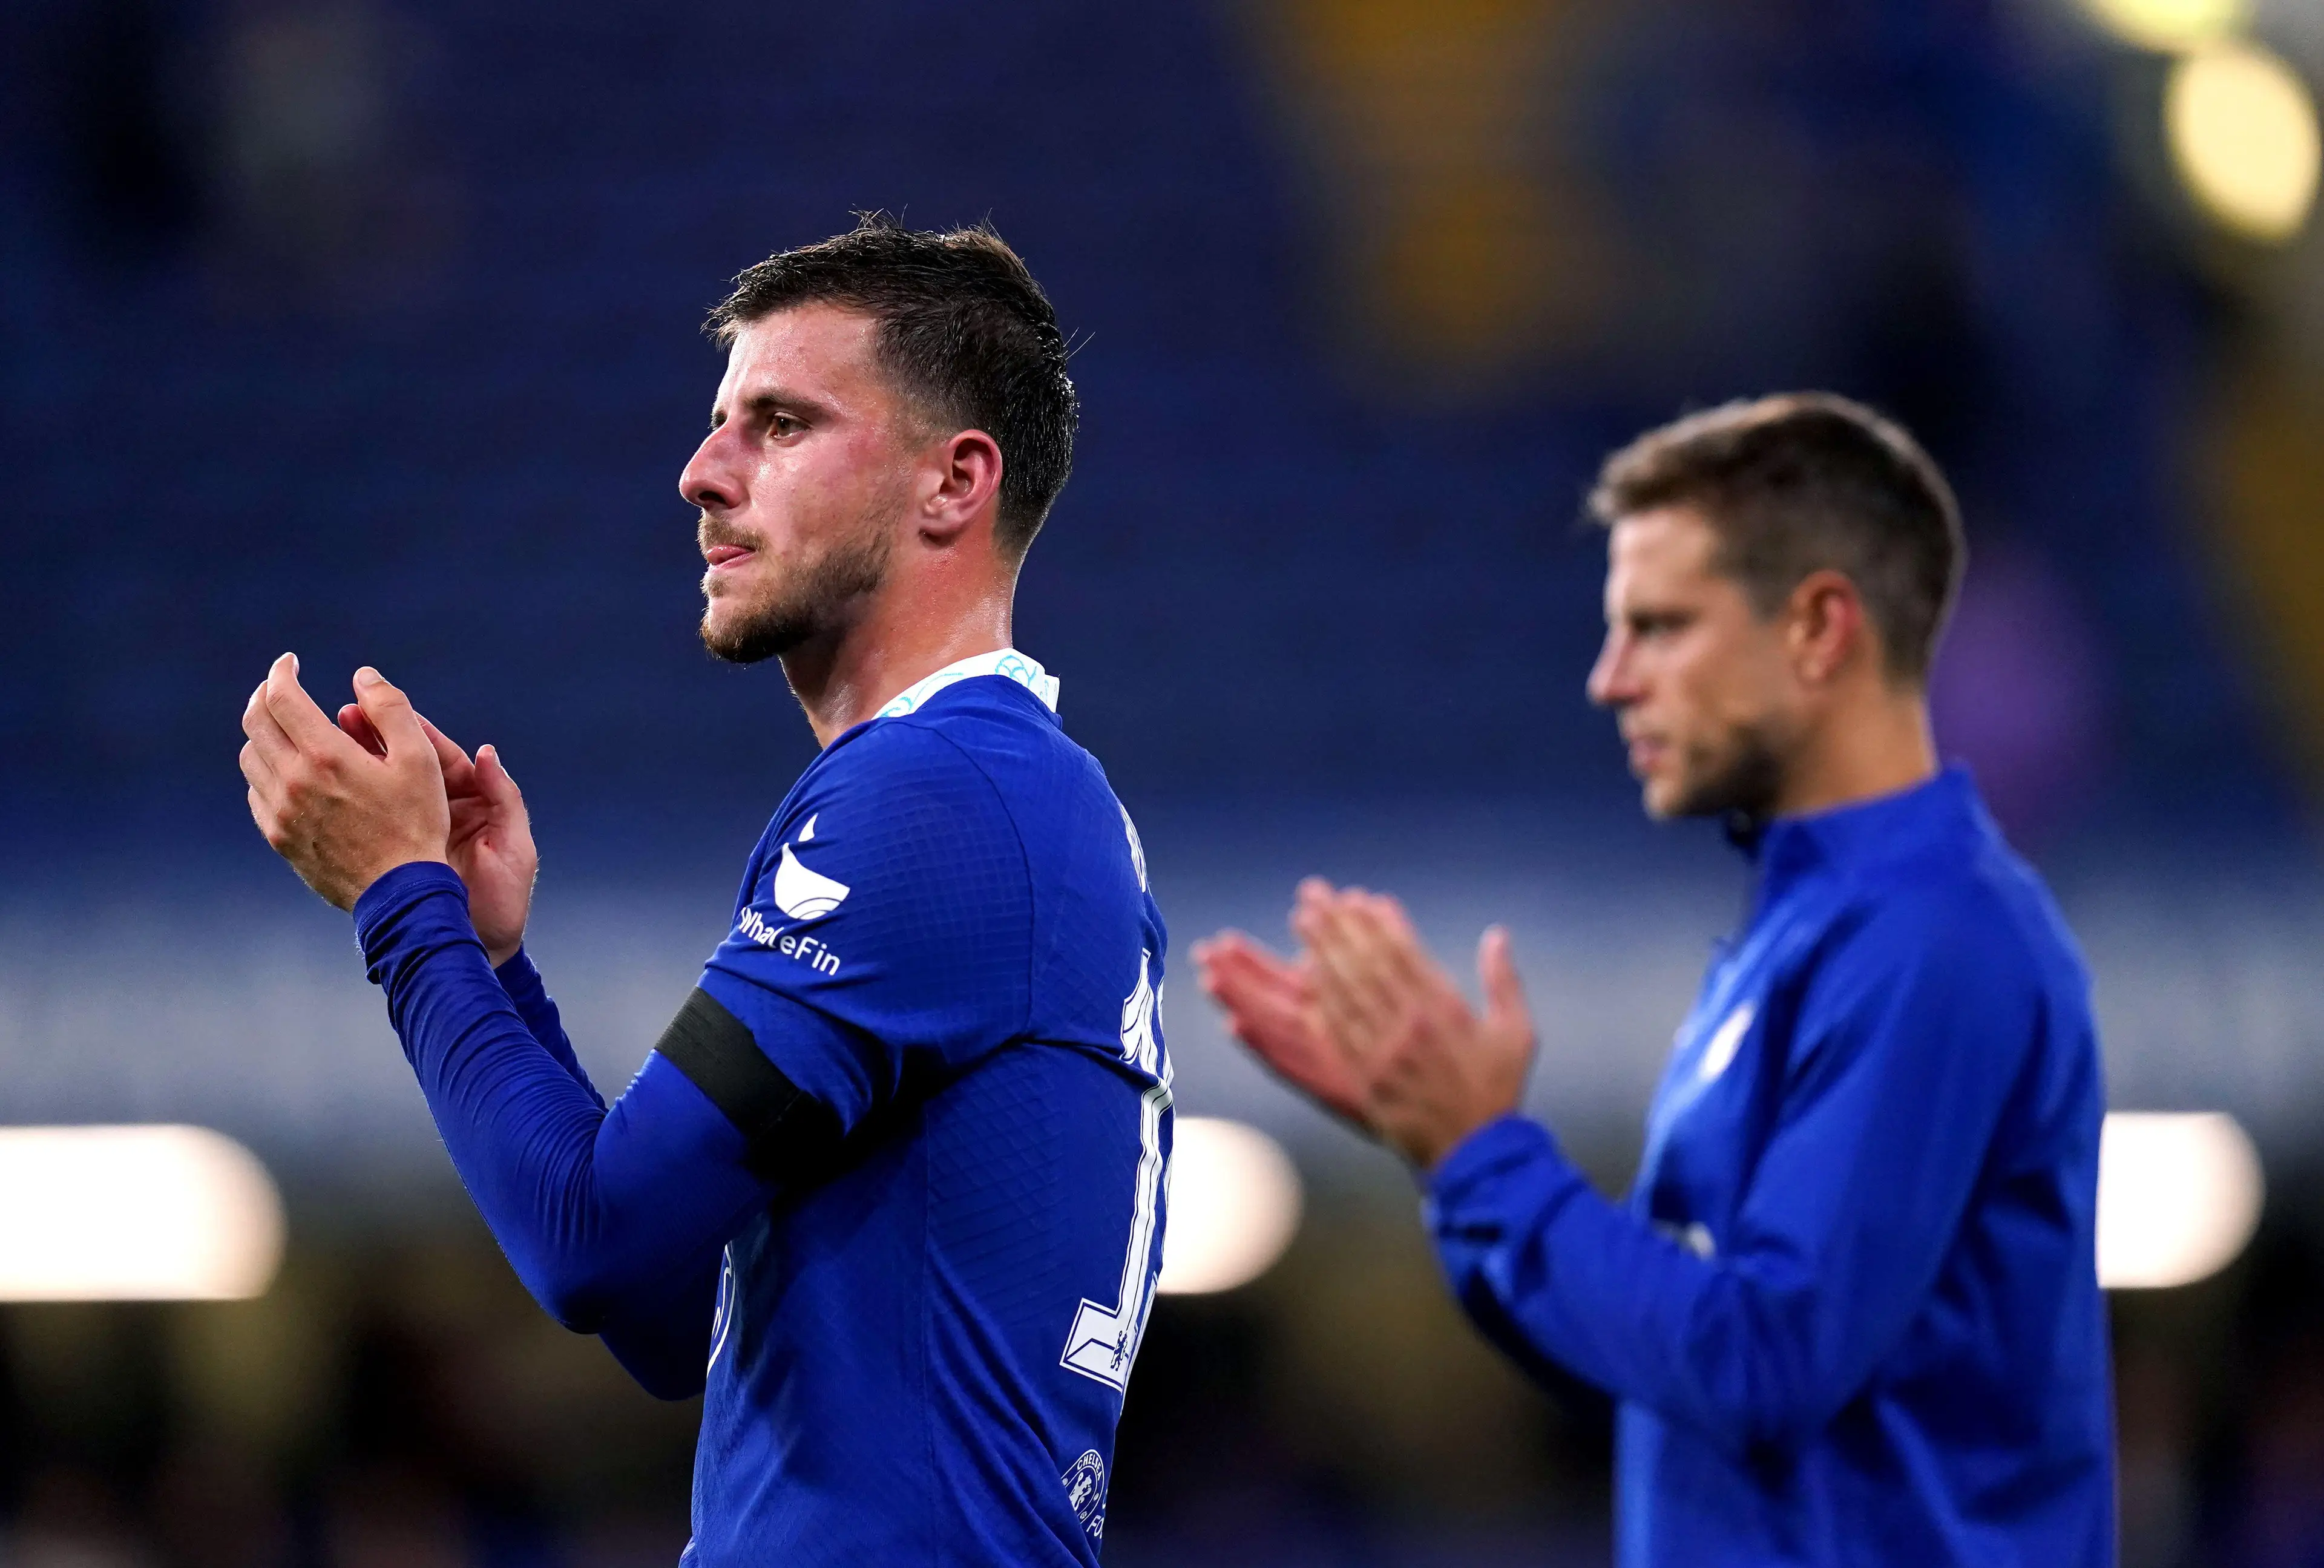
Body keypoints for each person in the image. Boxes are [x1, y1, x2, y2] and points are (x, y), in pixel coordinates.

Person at [239, 216, 1172, 1566]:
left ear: (954, 483)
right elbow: (674, 1307)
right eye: (719, 424)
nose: (700, 472)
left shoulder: (939, 798)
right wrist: (489, 962)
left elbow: (594, 1243)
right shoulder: (995, 797)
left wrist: (399, 903)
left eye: (779, 424)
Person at [1195, 394, 2113, 1567]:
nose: (1610, 678)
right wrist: (1457, 1160)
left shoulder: (1931, 940)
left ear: (1821, 630)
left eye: (1662, 626)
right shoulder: (1810, 937)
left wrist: (1489, 1156)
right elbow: (1674, 1366)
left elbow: (1761, 1360)